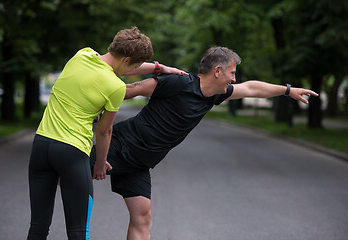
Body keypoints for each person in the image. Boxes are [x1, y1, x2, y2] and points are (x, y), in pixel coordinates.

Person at [90, 46, 319, 240]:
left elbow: (251, 88)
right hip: (119, 146)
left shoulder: (214, 95)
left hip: (140, 163)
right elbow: (128, 91)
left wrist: (288, 90)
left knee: (142, 216)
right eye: (232, 72)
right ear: (217, 71)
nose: (234, 79)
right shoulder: (177, 83)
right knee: (63, 178)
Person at [27, 26, 186, 240]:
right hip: (72, 152)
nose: (137, 70)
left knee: (38, 227)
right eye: (137, 65)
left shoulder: (82, 55)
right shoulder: (115, 87)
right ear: (128, 60)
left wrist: (158, 67)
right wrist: (101, 163)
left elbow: (118, 64)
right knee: (77, 232)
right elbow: (104, 131)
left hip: (41, 146)